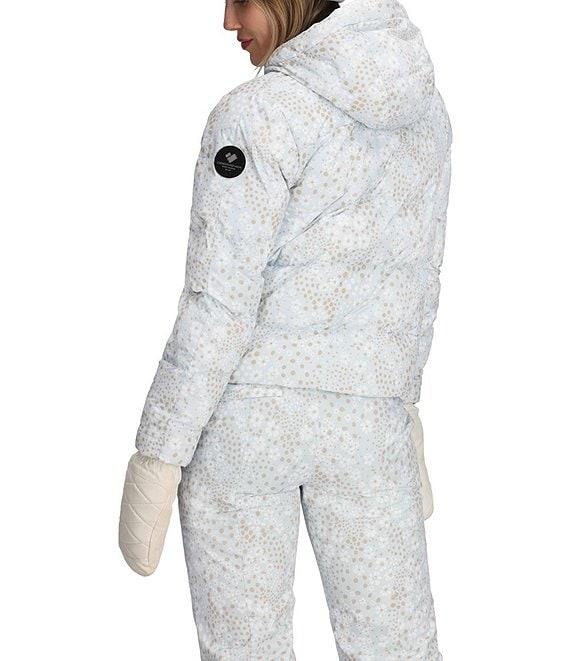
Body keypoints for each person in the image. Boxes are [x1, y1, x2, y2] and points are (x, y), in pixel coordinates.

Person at [119, 0, 452, 658]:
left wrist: (158, 453)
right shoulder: (425, 115)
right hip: (366, 423)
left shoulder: (256, 115)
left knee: (246, 649)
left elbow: (218, 301)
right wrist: (402, 402)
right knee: (397, 645)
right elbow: (415, 274)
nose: (227, 21)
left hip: (248, 423)